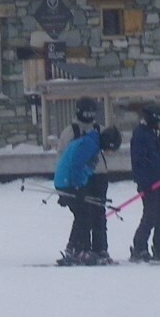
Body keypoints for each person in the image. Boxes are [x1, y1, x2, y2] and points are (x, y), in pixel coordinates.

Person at [53, 106, 120, 265]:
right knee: (84, 215)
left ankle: (75, 247)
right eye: (112, 150)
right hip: (67, 182)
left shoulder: (94, 143)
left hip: (69, 182)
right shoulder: (90, 144)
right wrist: (78, 187)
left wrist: (82, 184)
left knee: (86, 213)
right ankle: (78, 249)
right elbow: (76, 166)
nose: (111, 153)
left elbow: (84, 169)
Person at [128, 104, 160, 263]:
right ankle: (139, 246)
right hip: (149, 183)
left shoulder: (156, 133)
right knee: (151, 214)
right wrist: (144, 182)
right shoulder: (140, 134)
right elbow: (138, 161)